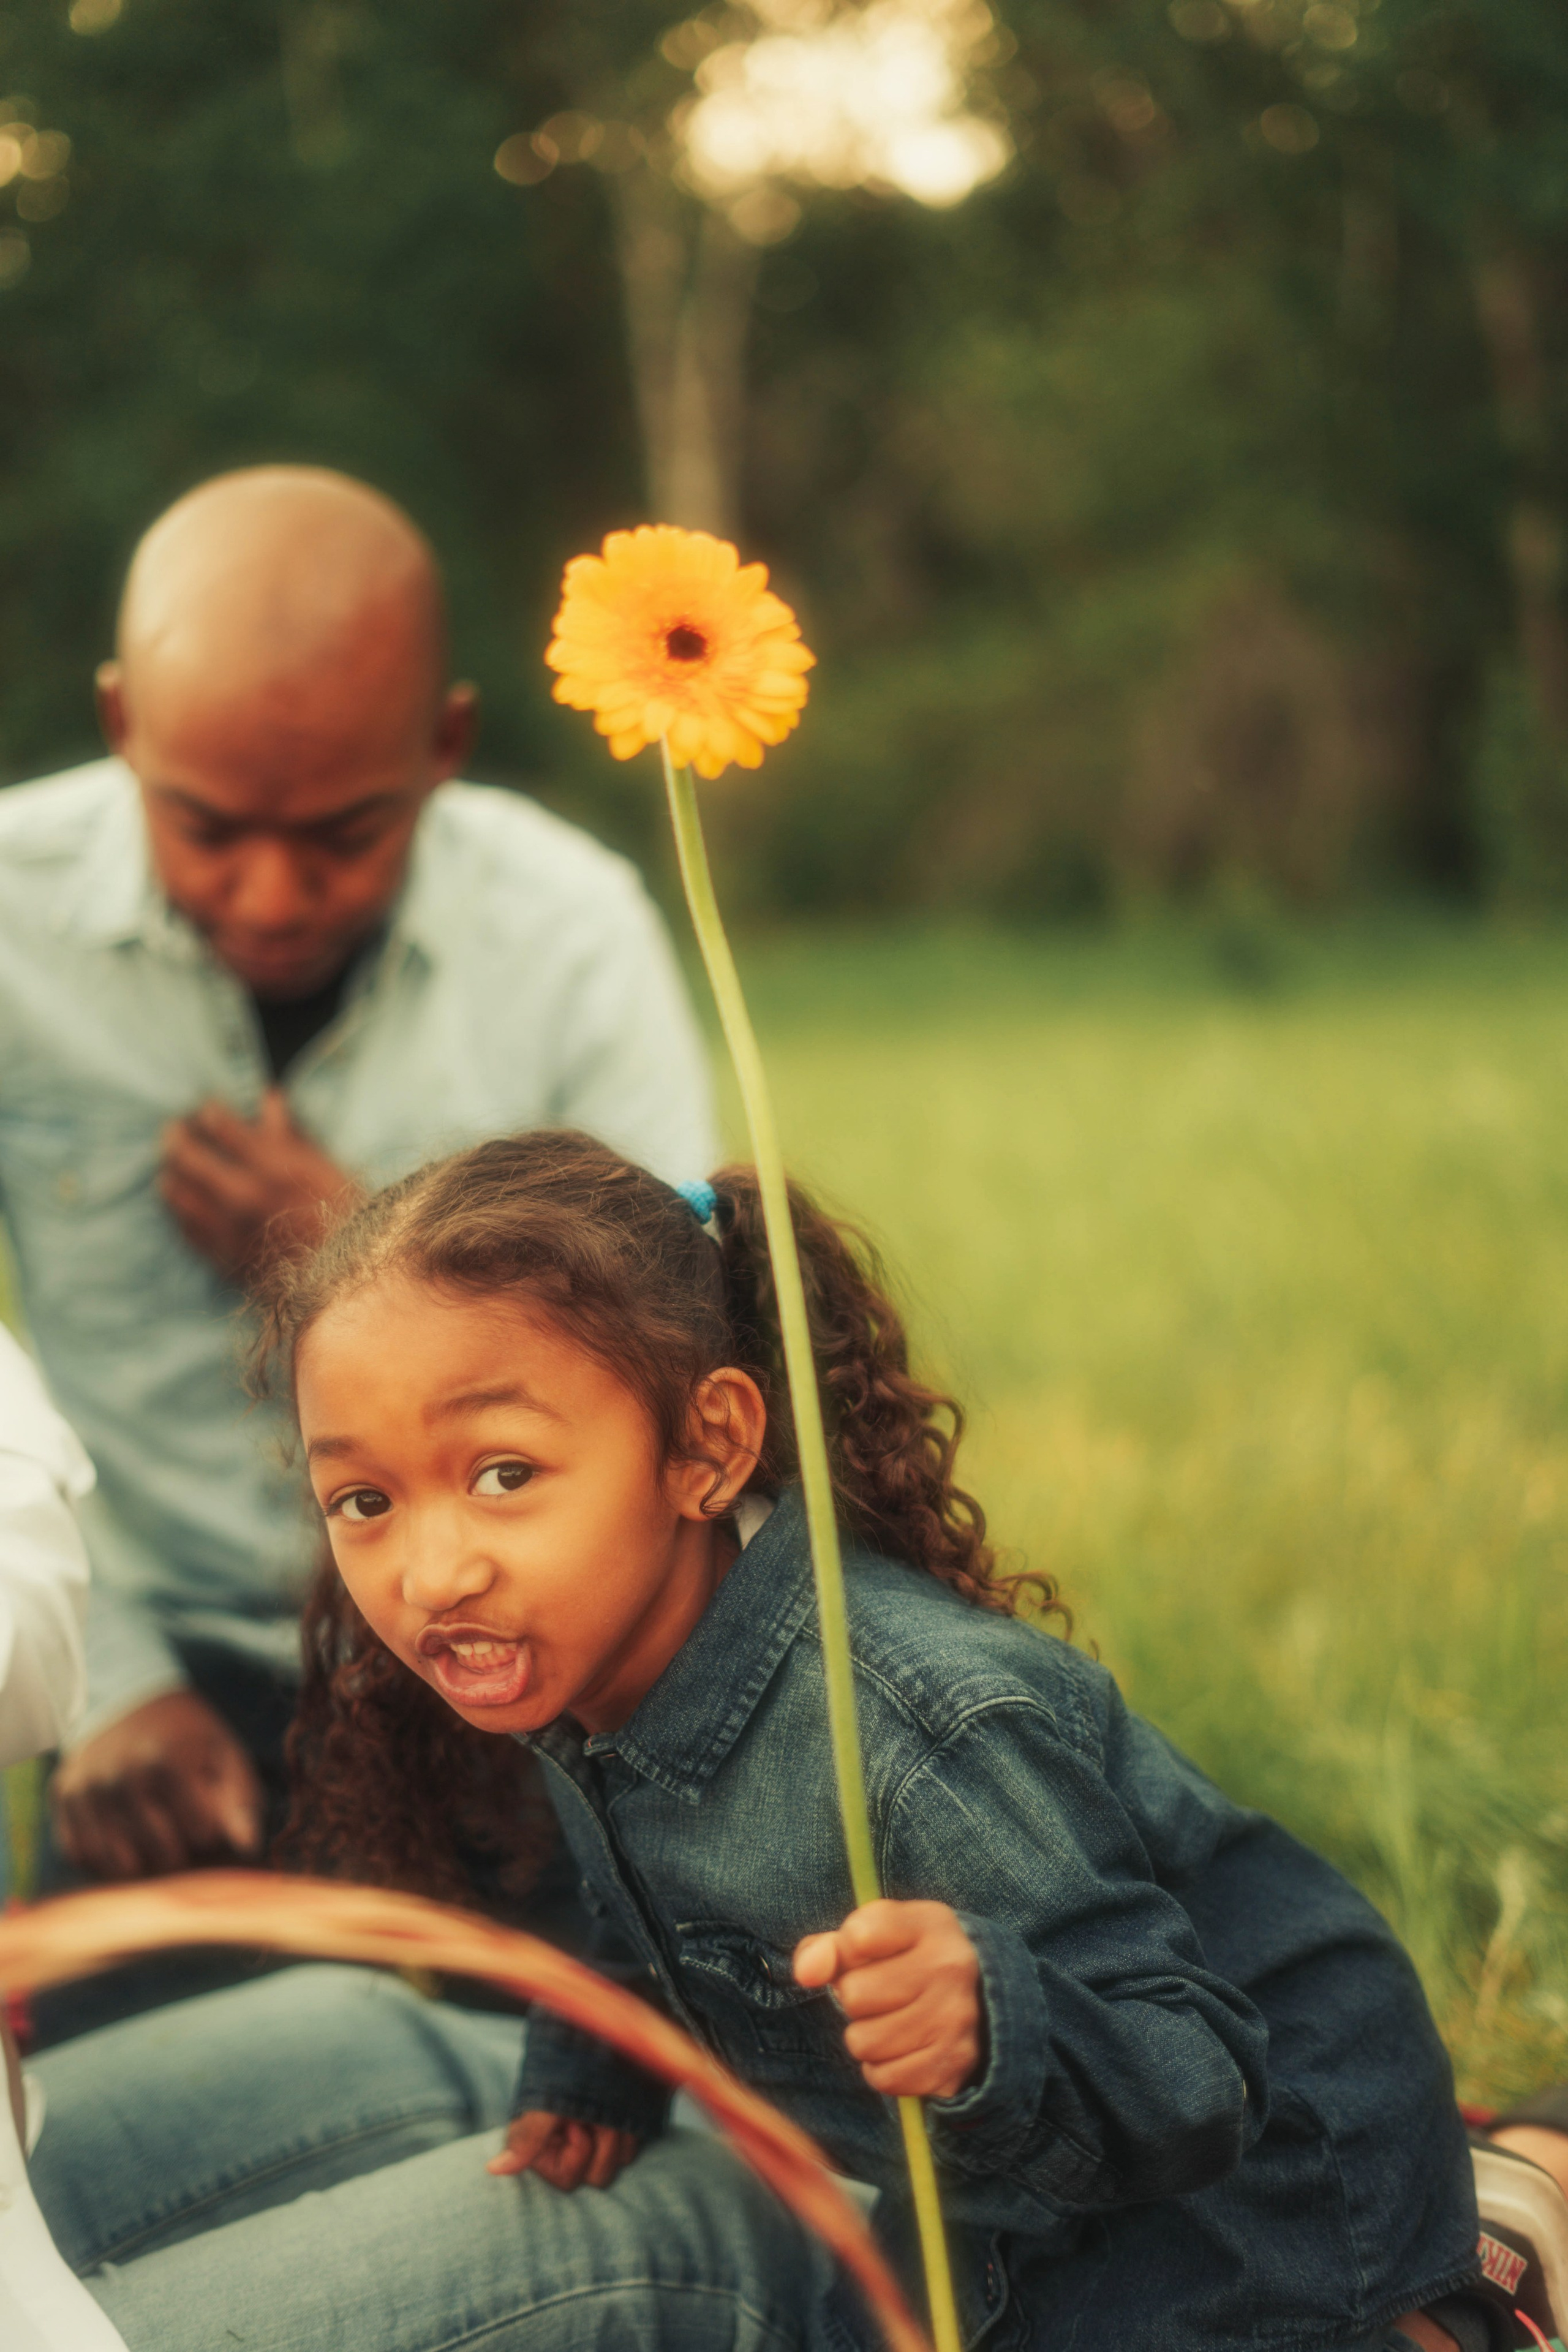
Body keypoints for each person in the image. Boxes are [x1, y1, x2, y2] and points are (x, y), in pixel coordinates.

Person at [29, 1131, 1483, 2352]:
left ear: (706, 1448)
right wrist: (597, 2069)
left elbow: (1194, 2075)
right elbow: (649, 1898)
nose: (431, 1571)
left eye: (503, 1473)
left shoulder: (912, 1732)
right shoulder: (591, 1653)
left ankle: (1453, 2296)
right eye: (365, 1502)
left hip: (1259, 2189)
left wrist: (992, 2017)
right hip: (985, 2180)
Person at [0, 467, 714, 1959]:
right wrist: (105, 1683)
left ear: (444, 746)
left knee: (580, 2084)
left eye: (342, 836)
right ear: (122, 723)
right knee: (96, 2103)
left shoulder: (568, 934)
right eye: (206, 829)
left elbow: (689, 1333)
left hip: (533, 1695)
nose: (269, 897)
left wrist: (364, 1256)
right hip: (165, 1705)